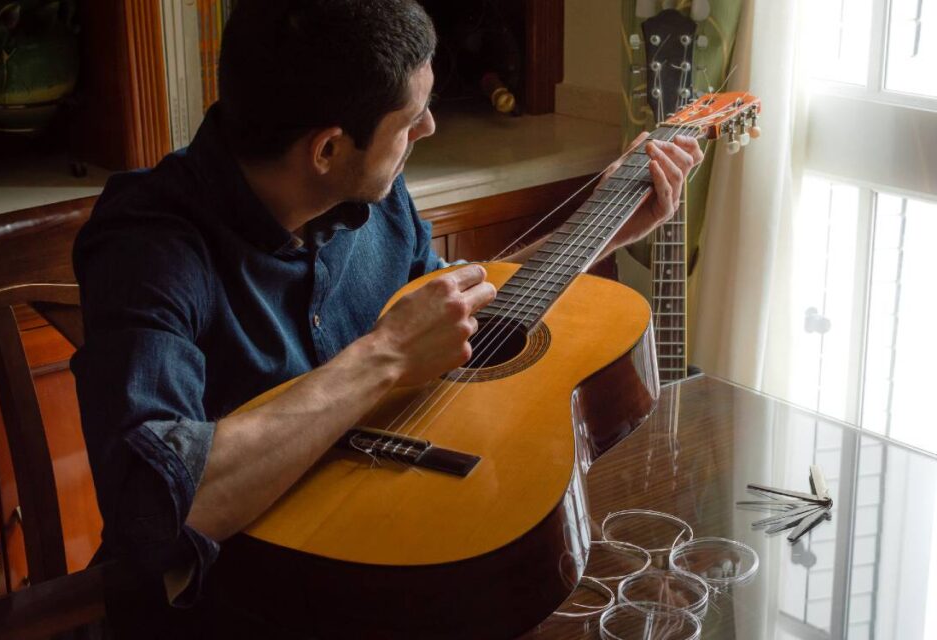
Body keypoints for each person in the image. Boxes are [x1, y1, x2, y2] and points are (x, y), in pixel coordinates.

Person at [71, 0, 702, 634]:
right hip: (236, 608)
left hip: (392, 569)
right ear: (327, 149)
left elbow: (454, 321)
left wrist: (597, 228)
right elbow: (155, 508)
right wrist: (385, 356)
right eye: (410, 118)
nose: (429, 126)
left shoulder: (362, 187)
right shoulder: (148, 247)